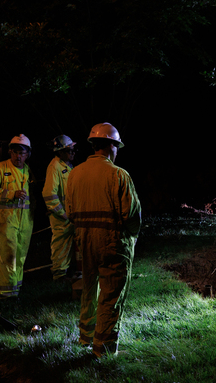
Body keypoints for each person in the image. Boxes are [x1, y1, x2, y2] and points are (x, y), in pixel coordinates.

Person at [66, 123, 141, 358]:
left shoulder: (74, 174)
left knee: (88, 287)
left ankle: (85, 336)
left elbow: (69, 212)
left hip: (84, 241)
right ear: (111, 146)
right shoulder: (118, 174)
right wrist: (130, 236)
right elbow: (132, 215)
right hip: (112, 242)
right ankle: (104, 349)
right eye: (117, 147)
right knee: (111, 294)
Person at [0, 134, 36, 300]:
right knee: (7, 256)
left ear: (27, 154)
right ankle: (5, 293)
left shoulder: (28, 170)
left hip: (25, 222)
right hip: (5, 221)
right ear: (10, 152)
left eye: (22, 152)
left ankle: (15, 290)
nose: (18, 156)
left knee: (20, 255)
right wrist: (12, 194)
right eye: (15, 152)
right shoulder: (0, 169)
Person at [43, 135, 77, 282]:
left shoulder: (67, 166)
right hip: (61, 216)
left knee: (68, 244)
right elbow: (49, 194)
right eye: (70, 150)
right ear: (60, 152)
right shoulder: (55, 166)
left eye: (73, 150)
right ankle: (59, 274)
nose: (73, 153)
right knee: (60, 244)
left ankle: (66, 272)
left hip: (69, 215)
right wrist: (62, 214)